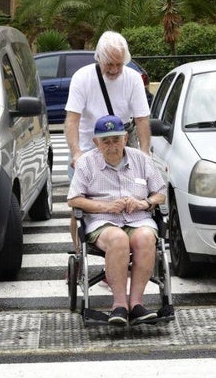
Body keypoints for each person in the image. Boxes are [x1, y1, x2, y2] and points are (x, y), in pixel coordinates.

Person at [67, 115, 166, 326]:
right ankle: (119, 305)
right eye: (106, 141)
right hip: (103, 221)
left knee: (146, 238)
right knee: (118, 239)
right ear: (96, 142)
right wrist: (107, 207)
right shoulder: (86, 163)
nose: (111, 146)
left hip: (138, 218)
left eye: (116, 139)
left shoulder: (141, 159)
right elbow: (74, 199)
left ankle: (137, 304)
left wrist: (144, 203)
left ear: (125, 138)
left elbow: (161, 193)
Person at [64, 30, 152, 248]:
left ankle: (117, 253)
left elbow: (142, 119)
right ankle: (78, 252)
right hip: (89, 143)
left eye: (118, 65)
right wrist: (76, 153)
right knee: (80, 206)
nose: (114, 70)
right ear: (99, 58)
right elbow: (72, 120)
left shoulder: (132, 79)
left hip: (122, 142)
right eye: (109, 64)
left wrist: (145, 152)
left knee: (125, 202)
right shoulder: (82, 78)